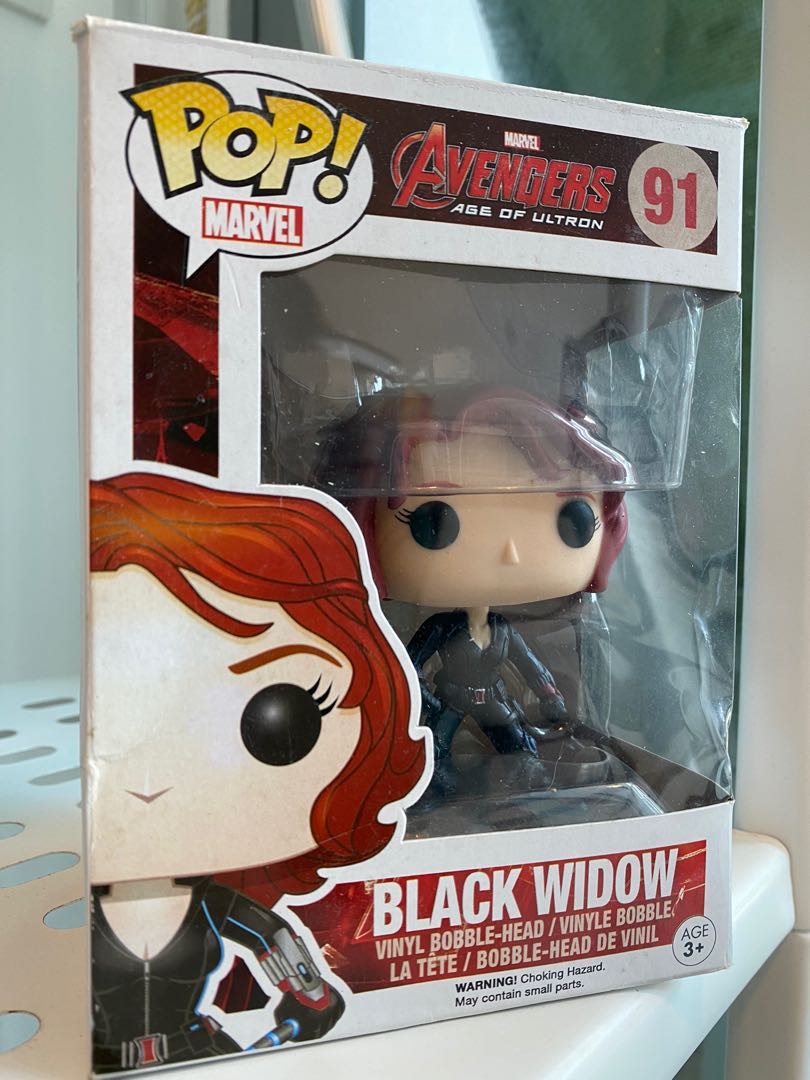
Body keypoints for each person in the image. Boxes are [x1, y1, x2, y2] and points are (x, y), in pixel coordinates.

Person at [88, 472, 426, 1071]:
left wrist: (311, 999)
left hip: (202, 1052)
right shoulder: (68, 907)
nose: (155, 780)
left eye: (279, 720)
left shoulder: (213, 902)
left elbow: (283, 949)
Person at [315, 387, 630, 791]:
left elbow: (528, 663)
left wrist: (548, 693)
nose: (511, 553)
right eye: (435, 521)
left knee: (519, 745)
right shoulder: (441, 627)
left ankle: (525, 785)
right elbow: (408, 662)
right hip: (452, 698)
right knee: (432, 751)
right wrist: (419, 696)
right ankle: (432, 786)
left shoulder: (503, 630)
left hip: (492, 696)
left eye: (574, 518)